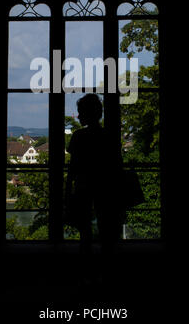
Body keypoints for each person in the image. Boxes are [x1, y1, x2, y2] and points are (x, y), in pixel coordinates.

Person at [66, 94, 122, 281]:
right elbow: (116, 165)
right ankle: (107, 272)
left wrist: (68, 191)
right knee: (107, 232)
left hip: (83, 188)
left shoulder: (79, 136)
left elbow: (72, 168)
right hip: (106, 188)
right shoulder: (108, 136)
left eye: (81, 112)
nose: (79, 116)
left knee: (85, 232)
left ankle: (86, 272)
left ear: (87, 114)